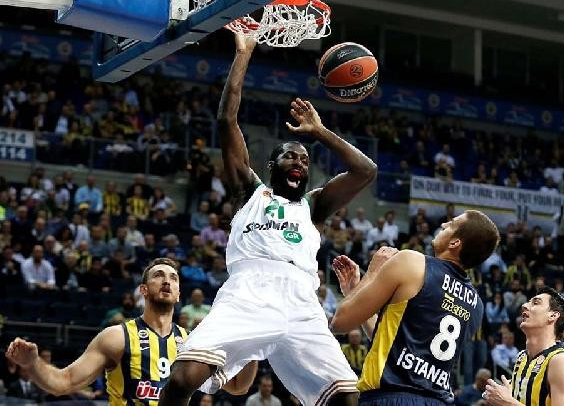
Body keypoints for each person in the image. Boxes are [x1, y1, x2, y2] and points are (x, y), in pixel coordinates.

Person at [159, 32, 377, 406]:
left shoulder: (314, 205)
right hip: (248, 292)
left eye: (305, 159)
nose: (299, 162)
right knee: (183, 378)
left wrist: (320, 131)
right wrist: (244, 52)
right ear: (272, 166)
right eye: (290, 156)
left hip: (302, 300)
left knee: (347, 399)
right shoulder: (250, 191)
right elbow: (227, 120)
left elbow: (366, 171)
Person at [5, 258, 258, 404]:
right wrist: (33, 364)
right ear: (143, 290)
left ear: (179, 293)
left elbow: (238, 386)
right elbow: (64, 382)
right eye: (159, 275)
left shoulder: (194, 341)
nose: (167, 280)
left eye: (173, 277)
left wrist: (255, 342)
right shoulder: (116, 337)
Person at [331, 209, 500, 405]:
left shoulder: (412, 262)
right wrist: (355, 292)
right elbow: (391, 342)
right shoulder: (476, 304)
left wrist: (372, 272)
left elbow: (340, 322)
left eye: (451, 224)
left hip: (391, 397)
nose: (443, 224)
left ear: (455, 243)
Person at [483, 287, 564, 406]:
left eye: (535, 303)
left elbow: (510, 403)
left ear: (553, 315)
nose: (524, 305)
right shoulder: (522, 357)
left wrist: (508, 403)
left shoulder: (560, 361)